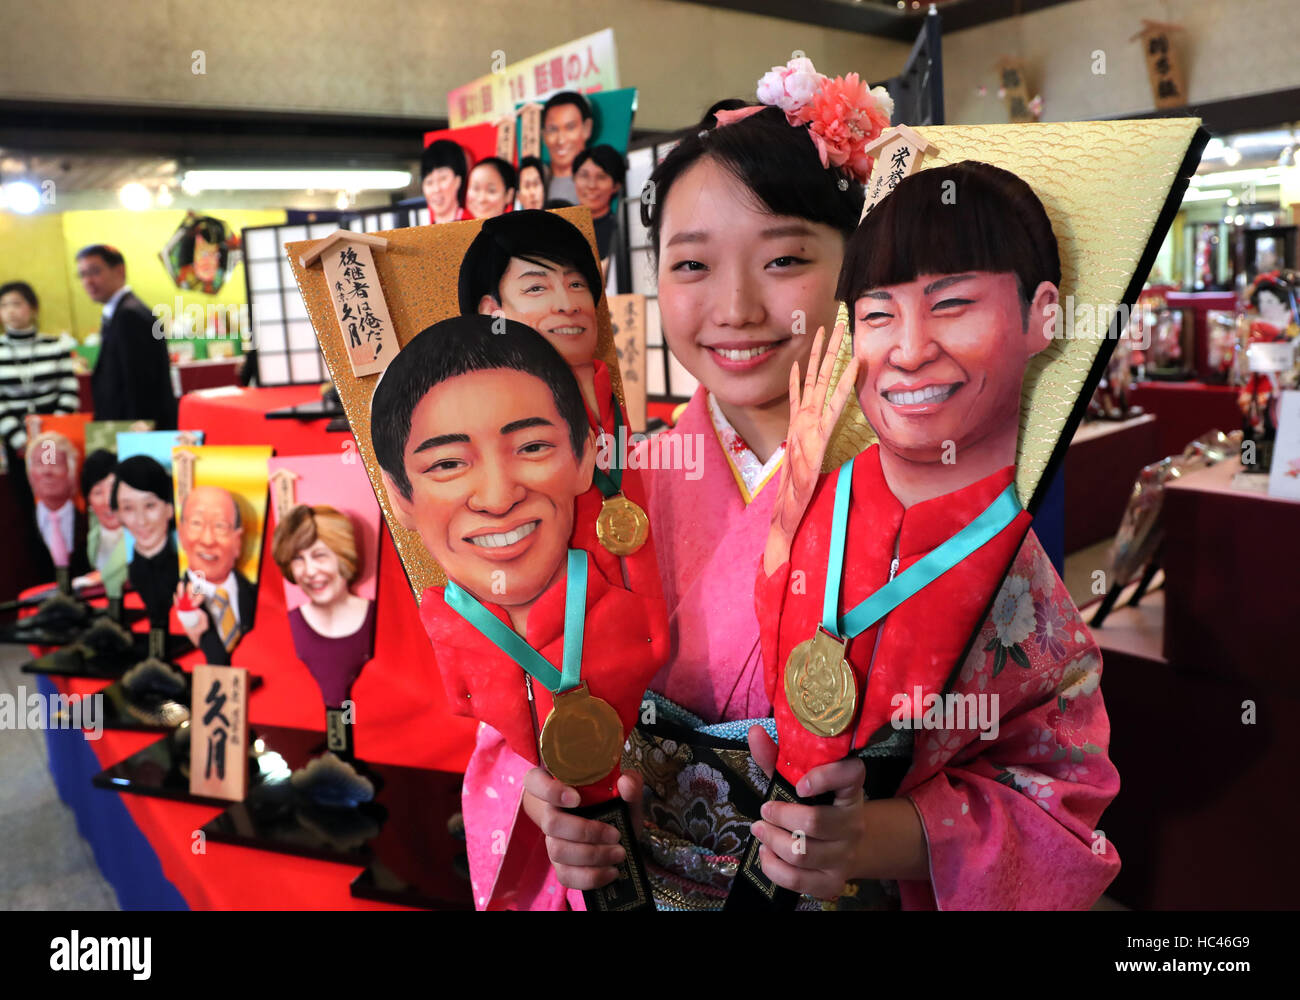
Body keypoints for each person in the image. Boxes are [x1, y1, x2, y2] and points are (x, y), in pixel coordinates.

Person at [523, 62, 1118, 911]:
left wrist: (873, 837)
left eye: (786, 258)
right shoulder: (614, 490)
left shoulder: (950, 500)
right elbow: (525, 715)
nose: (734, 307)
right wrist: (551, 798)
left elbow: (1059, 782)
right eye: (690, 267)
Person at [370, 314, 668, 909]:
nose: (499, 494)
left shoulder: (632, 587)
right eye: (448, 464)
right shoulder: (461, 628)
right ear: (399, 495)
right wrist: (533, 798)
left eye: (532, 447)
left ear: (586, 455)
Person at [457, 209, 658, 593]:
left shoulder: (607, 399)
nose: (568, 304)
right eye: (537, 288)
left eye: (577, 283)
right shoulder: (486, 422)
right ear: (492, 313)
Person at [272, 503, 375, 755]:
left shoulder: (370, 616)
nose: (310, 571)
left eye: (319, 555)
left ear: (342, 555)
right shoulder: (294, 622)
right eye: (298, 558)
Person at [0, 280, 81, 579]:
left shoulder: (54, 345)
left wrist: (49, 439)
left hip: (54, 440)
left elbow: (69, 390)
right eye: (4, 305)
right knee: (32, 510)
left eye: (17, 304)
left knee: (60, 501)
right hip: (19, 443)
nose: (10, 311)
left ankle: (72, 571)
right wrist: (23, 443)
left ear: (33, 309)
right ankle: (46, 576)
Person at [76, 245, 177, 430]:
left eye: (95, 271)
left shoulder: (129, 315)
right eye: (82, 275)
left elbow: (140, 387)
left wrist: (135, 438)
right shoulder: (121, 312)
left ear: (119, 270)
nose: (88, 281)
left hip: (136, 431)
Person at [173, 483, 257, 664]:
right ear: (181, 534)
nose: (208, 540)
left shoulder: (257, 595)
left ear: (237, 540)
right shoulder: (170, 597)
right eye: (197, 523)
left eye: (220, 526)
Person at [112, 455, 177, 634]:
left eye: (149, 505)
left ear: (170, 508)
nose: (141, 521)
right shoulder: (126, 573)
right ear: (118, 515)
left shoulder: (184, 573)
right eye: (128, 508)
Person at [26, 430, 90, 584]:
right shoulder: (14, 527)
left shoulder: (90, 523)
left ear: (71, 472)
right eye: (39, 463)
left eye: (55, 463)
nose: (47, 471)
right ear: (30, 474)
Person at [80, 449, 128, 614]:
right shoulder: (93, 536)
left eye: (113, 488)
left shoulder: (139, 536)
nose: (109, 501)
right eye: (98, 492)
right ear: (89, 502)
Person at [572, 144, 625, 264]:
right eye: (584, 175)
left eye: (601, 177)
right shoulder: (560, 226)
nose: (591, 185)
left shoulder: (621, 231)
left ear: (616, 186)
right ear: (574, 178)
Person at [541, 91, 593, 205]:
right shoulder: (537, 183)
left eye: (570, 127)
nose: (561, 140)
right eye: (553, 129)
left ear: (586, 128)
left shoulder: (597, 185)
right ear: (544, 135)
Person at [421, 139, 471, 224]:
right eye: (429, 182)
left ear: (458, 181)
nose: (436, 189)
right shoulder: (422, 234)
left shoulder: (476, 225)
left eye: (443, 178)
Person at [465, 156, 516, 221]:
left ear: (509, 195)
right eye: (476, 188)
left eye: (491, 191)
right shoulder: (455, 229)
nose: (481, 199)